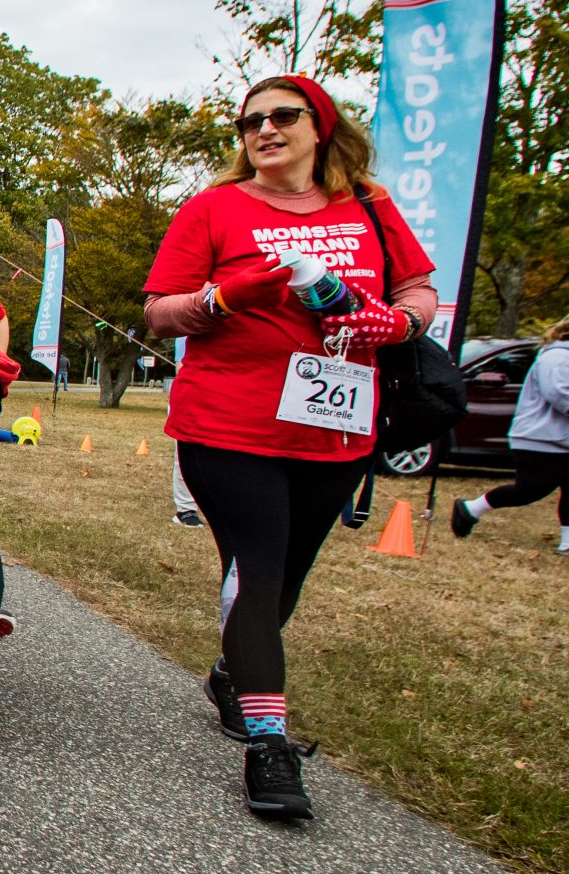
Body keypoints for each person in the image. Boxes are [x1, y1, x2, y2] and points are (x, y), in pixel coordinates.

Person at [144, 75, 434, 822]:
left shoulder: (368, 204)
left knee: (285, 579)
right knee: (261, 567)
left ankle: (232, 671)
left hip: (336, 426)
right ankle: (268, 745)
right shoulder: (214, 208)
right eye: (250, 123)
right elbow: (160, 311)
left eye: (282, 117)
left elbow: (421, 291)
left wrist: (395, 327)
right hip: (229, 423)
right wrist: (221, 299)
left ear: (320, 126)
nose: (263, 131)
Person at [452, 309, 569, 558]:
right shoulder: (558, 358)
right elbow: (560, 397)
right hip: (542, 439)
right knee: (530, 490)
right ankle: (470, 508)